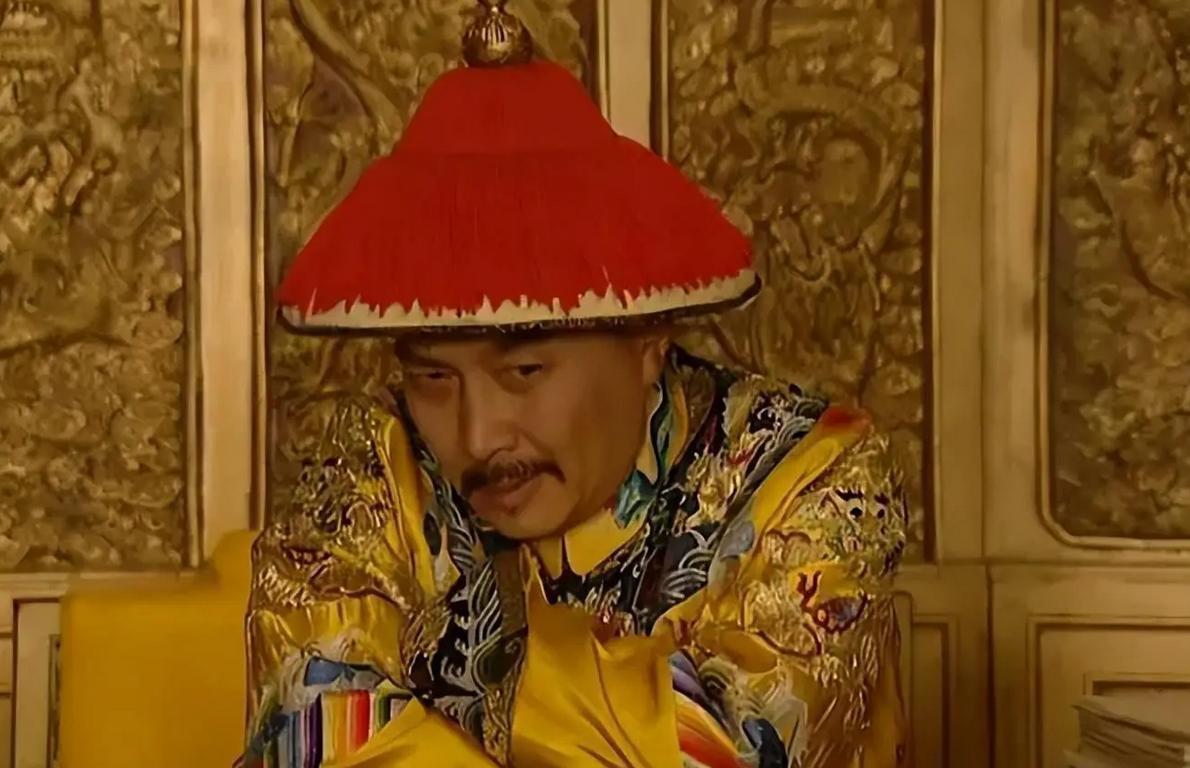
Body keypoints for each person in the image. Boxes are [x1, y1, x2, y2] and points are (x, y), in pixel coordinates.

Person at [241, 1, 908, 766]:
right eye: (432, 376)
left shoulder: (810, 477)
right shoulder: (373, 466)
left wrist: (440, 696)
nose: (479, 436)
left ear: (648, 342)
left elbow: (725, 750)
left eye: (524, 370)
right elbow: (308, 736)